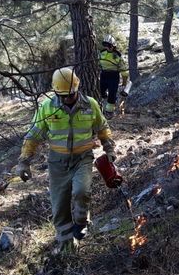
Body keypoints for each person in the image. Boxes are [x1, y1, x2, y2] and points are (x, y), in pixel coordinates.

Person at [16, 67, 116, 253]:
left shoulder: (90, 104)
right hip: (57, 162)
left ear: (77, 88)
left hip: (83, 158)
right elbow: (34, 135)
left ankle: (81, 222)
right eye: (63, 95)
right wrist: (24, 161)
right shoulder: (47, 107)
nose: (68, 98)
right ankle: (67, 246)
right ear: (55, 92)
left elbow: (103, 127)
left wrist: (109, 149)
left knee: (81, 191)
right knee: (60, 205)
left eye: (71, 94)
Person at [99, 35, 129, 117]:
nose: (107, 47)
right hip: (104, 75)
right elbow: (98, 64)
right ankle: (101, 107)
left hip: (113, 76)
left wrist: (124, 82)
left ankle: (109, 112)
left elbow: (123, 70)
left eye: (109, 45)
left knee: (112, 94)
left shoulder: (117, 55)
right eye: (106, 45)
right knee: (101, 92)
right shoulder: (102, 53)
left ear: (113, 46)